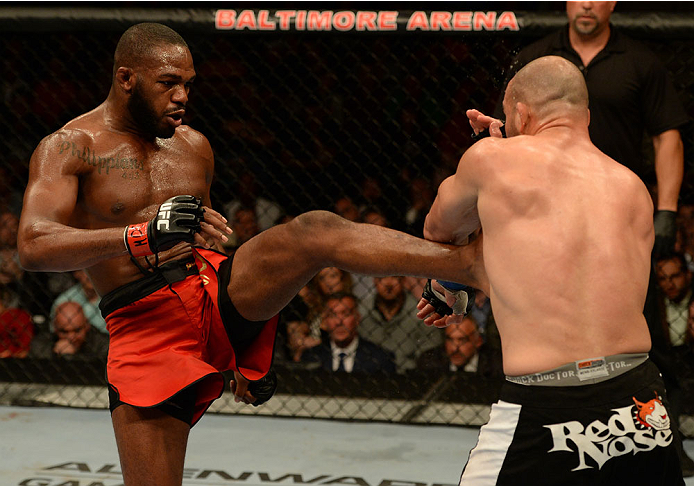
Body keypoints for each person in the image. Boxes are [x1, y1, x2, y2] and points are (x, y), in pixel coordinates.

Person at [17, 23, 479, 486]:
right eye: (168, 83)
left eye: (188, 83)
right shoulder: (70, 147)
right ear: (126, 79)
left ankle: (464, 267)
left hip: (214, 291)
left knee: (314, 230)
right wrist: (139, 233)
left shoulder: (193, 146)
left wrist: (240, 345)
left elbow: (213, 241)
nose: (181, 96)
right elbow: (33, 246)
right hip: (144, 324)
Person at [417, 56, 683, 484]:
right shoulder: (633, 187)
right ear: (586, 115)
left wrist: (492, 154)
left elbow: (439, 229)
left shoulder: (491, 159)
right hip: (639, 399)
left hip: (547, 400)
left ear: (521, 114)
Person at [494, 2, 688, 253]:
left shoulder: (640, 62)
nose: (586, 5)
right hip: (543, 202)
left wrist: (667, 210)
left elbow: (666, 135)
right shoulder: (534, 58)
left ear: (612, 4)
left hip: (618, 204)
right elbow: (507, 125)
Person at [358, 275, 442, 373]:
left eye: (394, 277)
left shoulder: (421, 315)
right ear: (374, 280)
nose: (388, 284)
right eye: (382, 277)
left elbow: (431, 355)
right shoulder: (361, 313)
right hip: (368, 375)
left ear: (403, 280)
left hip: (410, 377)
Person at [301, 292, 395, 373]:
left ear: (357, 318)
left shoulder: (380, 359)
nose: (339, 322)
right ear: (324, 321)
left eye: (345, 314)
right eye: (332, 315)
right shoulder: (311, 357)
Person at [416, 317, 502, 376]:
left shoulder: (496, 364)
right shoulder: (430, 361)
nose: (454, 348)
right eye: (450, 339)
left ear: (478, 341)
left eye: (462, 340)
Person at [29, 301, 109, 359]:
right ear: (55, 327)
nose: (71, 337)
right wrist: (54, 353)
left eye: (77, 330)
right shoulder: (42, 343)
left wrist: (69, 357)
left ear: (87, 325)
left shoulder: (103, 344)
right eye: (64, 332)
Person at [655, 253, 693, 349]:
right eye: (663, 278)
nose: (669, 285)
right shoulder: (653, 307)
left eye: (675, 276)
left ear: (688, 275)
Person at [51, 270, 108, 334]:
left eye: (95, 269)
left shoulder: (112, 296)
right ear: (76, 273)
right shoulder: (63, 301)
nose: (92, 275)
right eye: (87, 270)